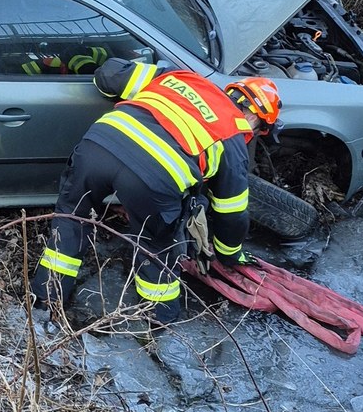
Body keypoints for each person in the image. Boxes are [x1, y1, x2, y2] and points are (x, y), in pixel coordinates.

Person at [31, 62, 281, 327]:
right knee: (155, 246)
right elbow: (231, 213)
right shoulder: (233, 138)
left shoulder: (183, 78)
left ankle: (45, 300)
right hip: (151, 180)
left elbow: (109, 74)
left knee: (71, 218)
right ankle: (158, 320)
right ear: (256, 121)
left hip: (99, 146)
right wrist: (229, 254)